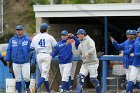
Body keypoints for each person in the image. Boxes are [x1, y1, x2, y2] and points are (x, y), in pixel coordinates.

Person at [31, 23, 57, 93]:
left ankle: (48, 91)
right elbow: (56, 47)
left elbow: (31, 48)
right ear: (46, 29)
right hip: (46, 55)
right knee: (44, 74)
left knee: (45, 76)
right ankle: (36, 87)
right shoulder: (49, 37)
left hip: (38, 55)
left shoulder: (35, 37)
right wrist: (53, 54)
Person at [4, 25, 31, 93]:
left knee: (27, 78)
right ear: (16, 31)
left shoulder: (27, 39)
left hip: (25, 62)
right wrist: (7, 60)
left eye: (20, 30)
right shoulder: (12, 40)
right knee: (17, 79)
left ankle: (27, 89)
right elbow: (9, 50)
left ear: (22, 30)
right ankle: (19, 92)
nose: (18, 31)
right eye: (17, 30)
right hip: (15, 62)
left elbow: (31, 49)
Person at [75, 29, 101, 93]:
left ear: (83, 34)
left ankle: (99, 91)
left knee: (93, 80)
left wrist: (87, 53)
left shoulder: (89, 40)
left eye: (78, 34)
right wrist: (73, 45)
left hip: (93, 63)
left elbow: (92, 48)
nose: (77, 36)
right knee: (80, 78)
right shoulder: (80, 43)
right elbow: (76, 53)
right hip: (85, 63)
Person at [125, 28, 140, 93]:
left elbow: (134, 53)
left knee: (138, 79)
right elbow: (131, 50)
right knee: (131, 79)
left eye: (139, 32)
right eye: (138, 32)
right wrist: (123, 53)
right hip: (136, 63)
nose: (138, 33)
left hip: (136, 60)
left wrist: (135, 54)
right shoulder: (137, 40)